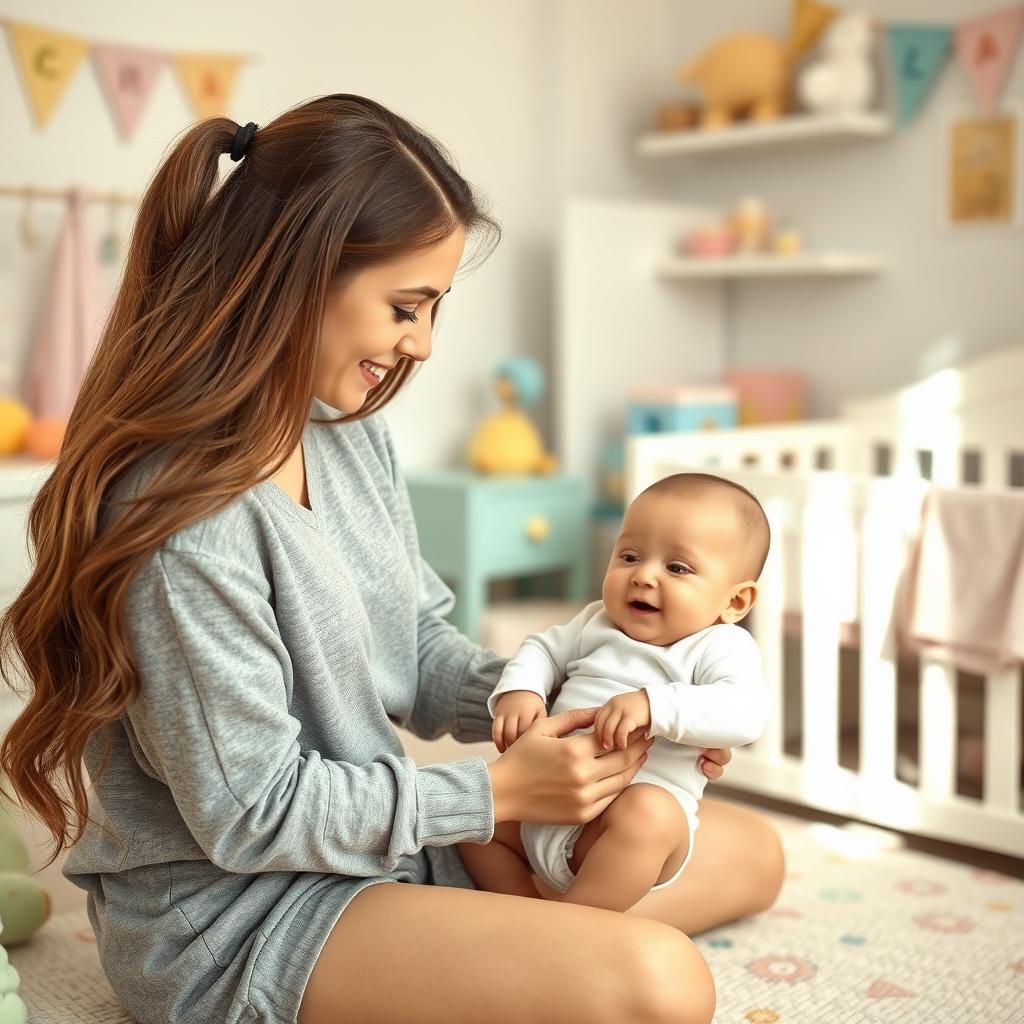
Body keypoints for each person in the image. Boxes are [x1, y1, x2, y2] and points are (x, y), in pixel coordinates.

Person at [0, 95, 784, 1024]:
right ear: (297, 274)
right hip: (240, 914)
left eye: (433, 309)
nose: (421, 343)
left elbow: (413, 643)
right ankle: (543, 953)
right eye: (406, 307)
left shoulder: (344, 434)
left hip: (382, 845)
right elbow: (252, 813)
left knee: (752, 854)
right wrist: (495, 791)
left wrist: (570, 707)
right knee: (661, 982)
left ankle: (527, 948)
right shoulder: (183, 520)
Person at [458, 473, 770, 912]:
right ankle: (525, 912)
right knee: (471, 821)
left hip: (619, 827)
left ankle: (577, 926)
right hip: (540, 803)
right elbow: (542, 649)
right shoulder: (596, 620)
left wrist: (653, 704)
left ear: (735, 602)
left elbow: (745, 712)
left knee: (649, 815)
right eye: (629, 555)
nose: (643, 575)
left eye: (677, 567)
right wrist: (522, 690)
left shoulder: (720, 646)